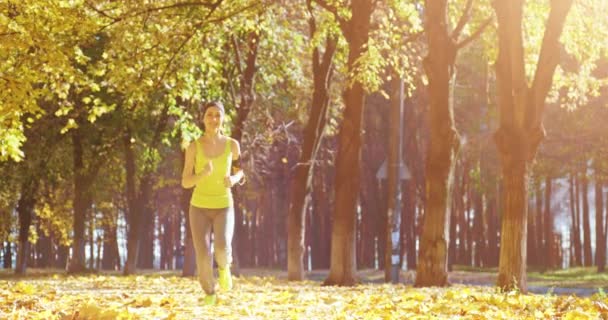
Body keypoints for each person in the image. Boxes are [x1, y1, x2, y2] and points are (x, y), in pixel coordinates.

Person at [181, 101, 244, 305]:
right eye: (210, 115)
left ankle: (225, 268)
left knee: (222, 246)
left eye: (218, 115)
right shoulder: (194, 147)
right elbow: (185, 181)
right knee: (202, 253)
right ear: (203, 118)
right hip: (198, 207)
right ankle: (209, 293)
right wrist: (202, 174)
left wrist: (233, 180)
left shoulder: (232, 145)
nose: (213, 119)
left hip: (224, 205)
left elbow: (240, 171)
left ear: (223, 118)